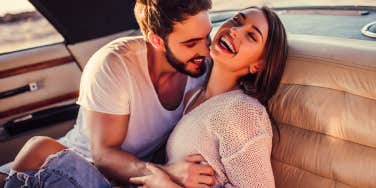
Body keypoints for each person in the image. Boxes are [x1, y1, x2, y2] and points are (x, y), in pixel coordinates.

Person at [0, 0, 217, 187]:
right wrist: (167, 173)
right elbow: (104, 156)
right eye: (191, 43)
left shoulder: (204, 66)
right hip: (57, 167)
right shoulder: (115, 64)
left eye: (206, 37)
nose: (206, 50)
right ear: (157, 40)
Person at [129, 6, 288, 187]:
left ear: (258, 65)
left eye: (251, 36)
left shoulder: (243, 112)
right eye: (236, 21)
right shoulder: (193, 95)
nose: (235, 31)